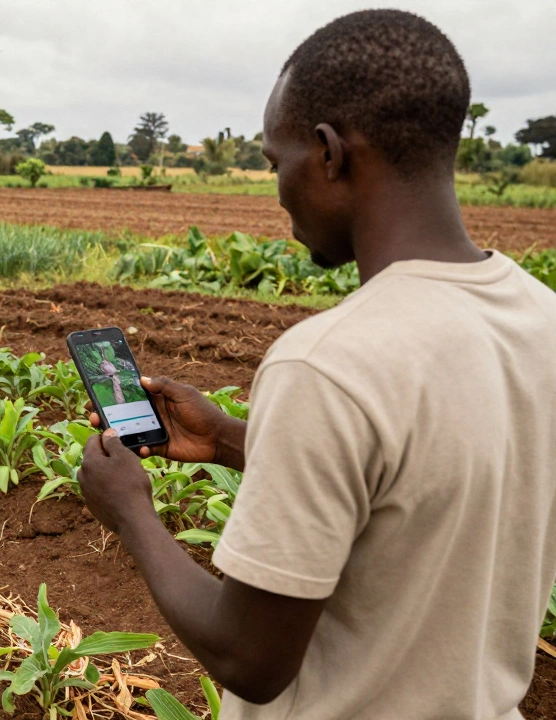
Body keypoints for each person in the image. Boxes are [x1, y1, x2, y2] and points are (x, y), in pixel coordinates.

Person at [76, 10, 556, 720]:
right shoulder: (539, 317)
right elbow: (428, 483)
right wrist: (229, 440)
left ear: (329, 154)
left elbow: (250, 657)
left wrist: (130, 513)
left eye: (277, 162)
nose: (277, 191)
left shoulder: (328, 364)